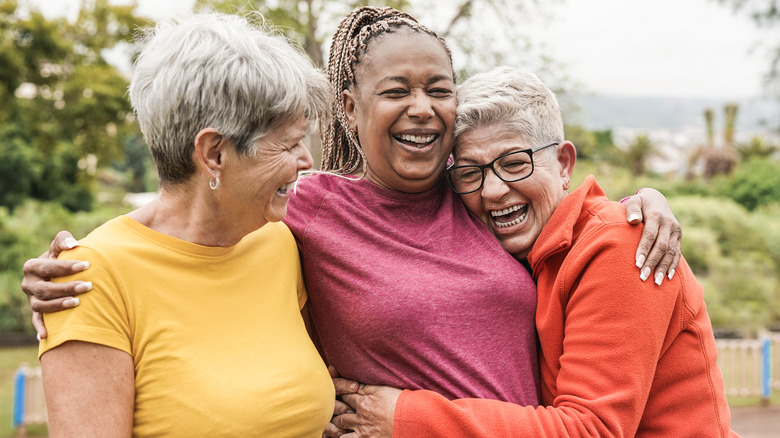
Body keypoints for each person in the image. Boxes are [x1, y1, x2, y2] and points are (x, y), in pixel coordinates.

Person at [23, 5, 682, 432]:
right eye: (396, 91)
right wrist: (83, 261)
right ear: (349, 105)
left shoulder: (475, 193)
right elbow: (193, 212)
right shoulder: (306, 211)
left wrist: (639, 203)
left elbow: (550, 200)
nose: (422, 108)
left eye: (439, 90)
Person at [327, 67, 737, 437]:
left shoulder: (621, 247)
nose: (492, 190)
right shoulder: (521, 249)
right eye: (471, 172)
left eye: (514, 163)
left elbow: (589, 430)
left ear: (563, 163)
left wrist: (403, 416)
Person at [34, 13, 335, 437]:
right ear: (213, 153)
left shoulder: (278, 239)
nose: (306, 161)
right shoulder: (89, 278)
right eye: (288, 144)